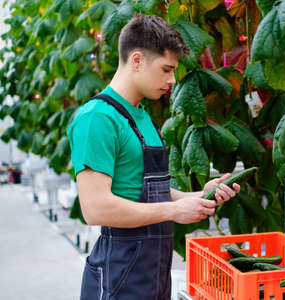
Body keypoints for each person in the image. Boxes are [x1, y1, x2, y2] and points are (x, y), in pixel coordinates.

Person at [68, 14, 240, 300]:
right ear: (136, 60)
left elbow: (143, 189)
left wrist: (196, 195)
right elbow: (95, 208)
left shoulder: (142, 115)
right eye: (166, 69)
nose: (172, 79)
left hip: (155, 273)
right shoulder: (97, 118)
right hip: (118, 275)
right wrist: (174, 211)